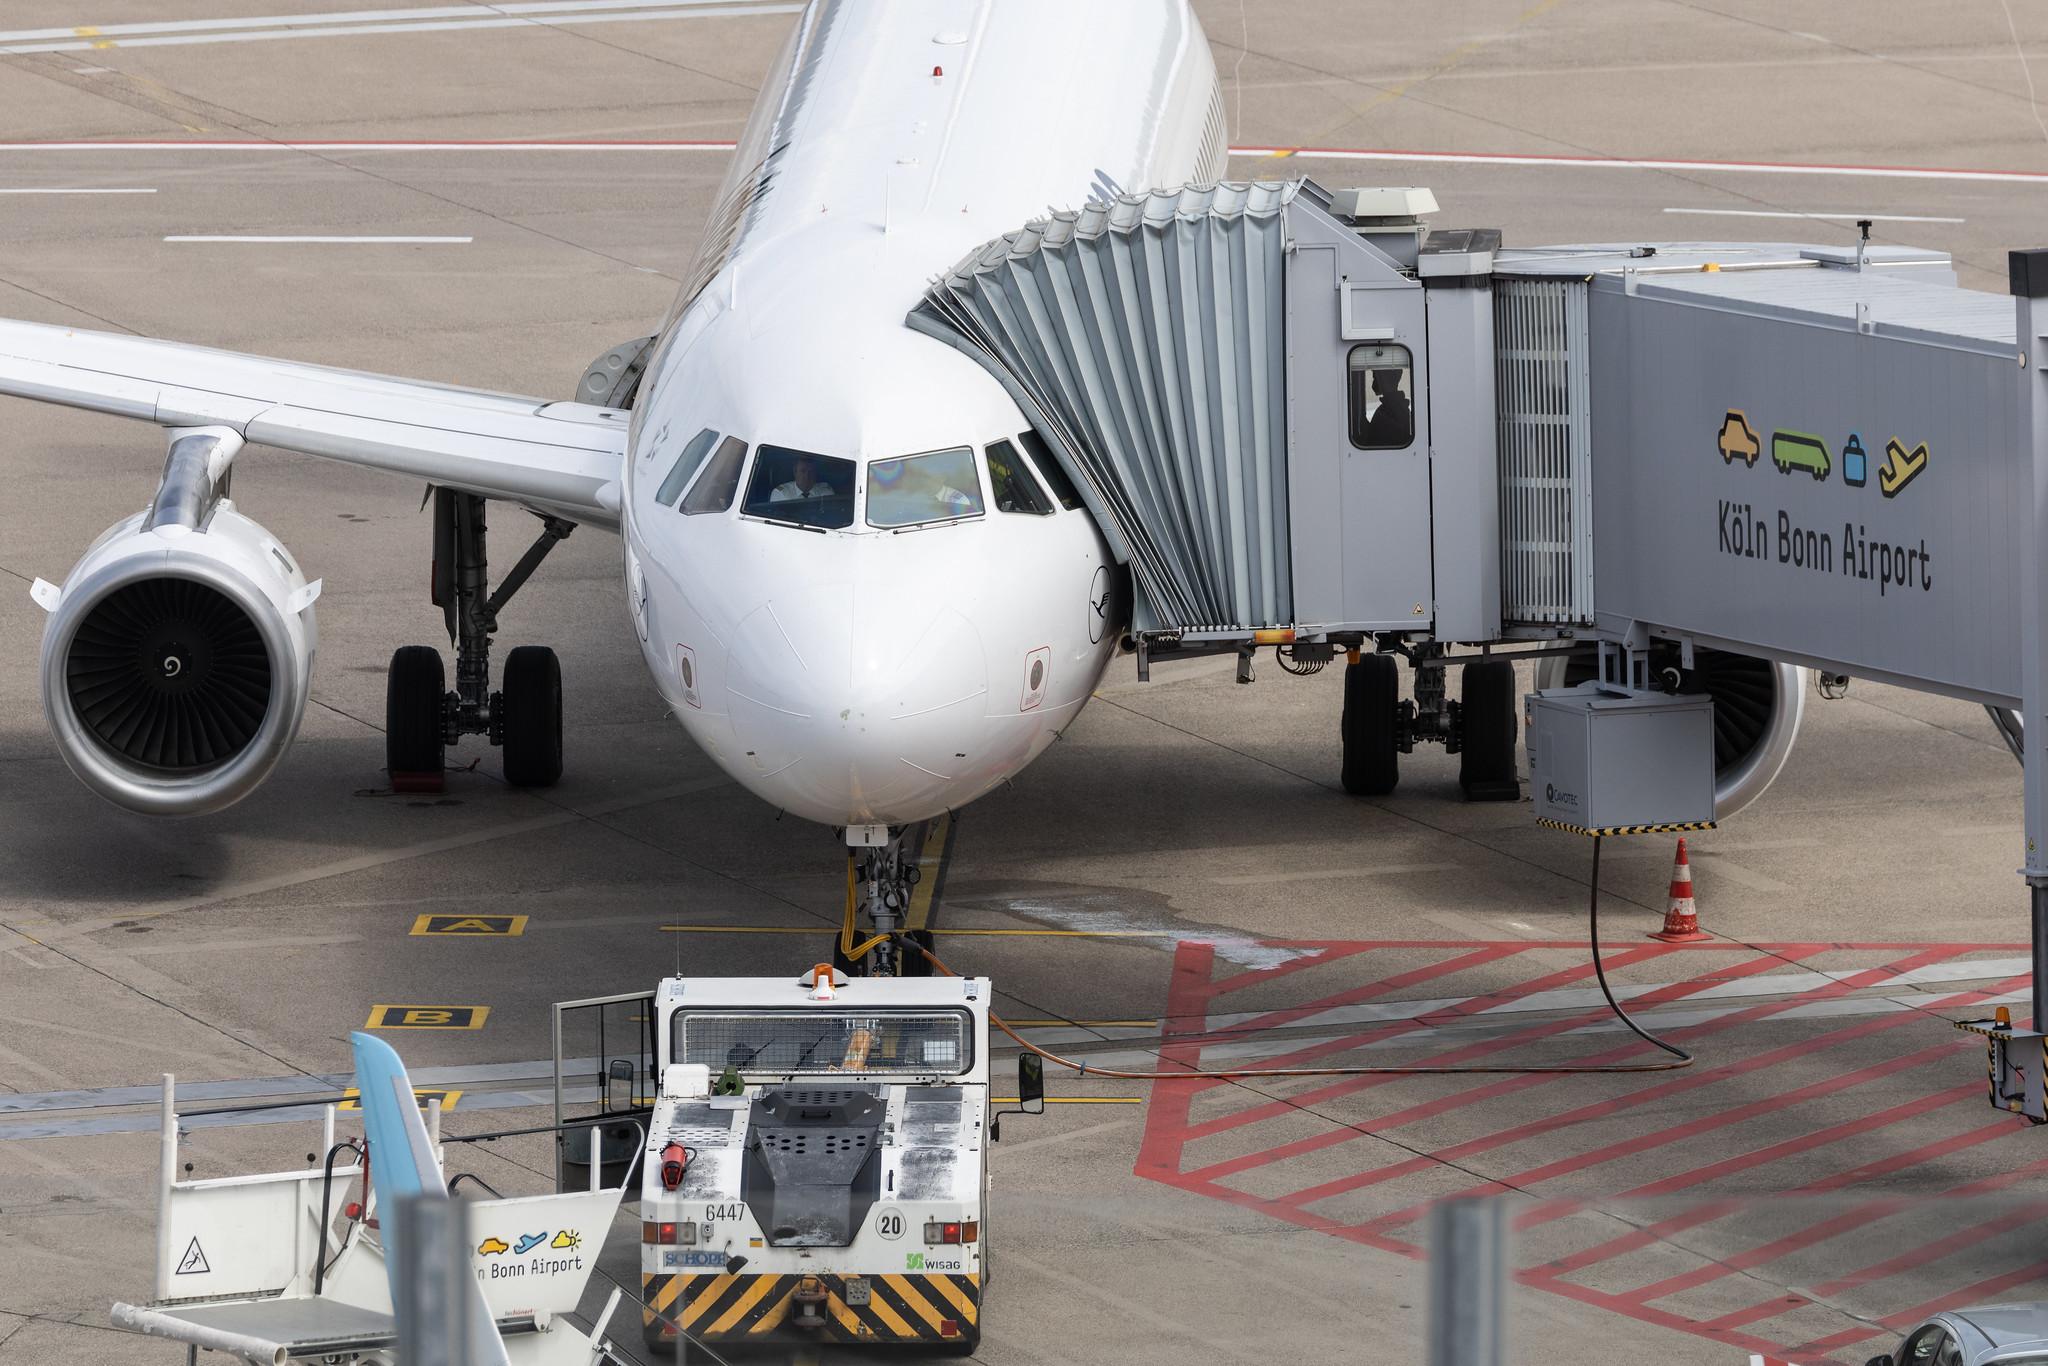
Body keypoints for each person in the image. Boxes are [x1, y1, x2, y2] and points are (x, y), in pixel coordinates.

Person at [1363, 368, 1413, 447]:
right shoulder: (1392, 407)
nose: (1373, 379)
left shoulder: (1391, 411)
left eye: (1375, 375)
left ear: (1383, 378)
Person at [770, 454, 835, 502]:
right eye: (803, 471)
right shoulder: (781, 494)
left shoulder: (825, 492)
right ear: (795, 472)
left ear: (815, 473)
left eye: (811, 471)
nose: (807, 476)